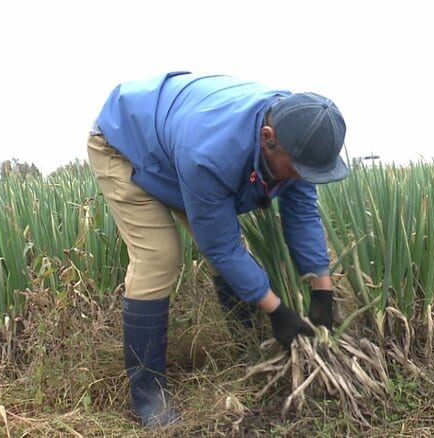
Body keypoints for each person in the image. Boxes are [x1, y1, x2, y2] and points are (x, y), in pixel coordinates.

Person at [87, 71, 348, 429]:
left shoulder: (299, 127)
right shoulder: (210, 154)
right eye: (299, 169)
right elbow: (221, 245)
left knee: (227, 251)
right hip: (125, 145)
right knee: (159, 257)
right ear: (268, 139)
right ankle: (147, 393)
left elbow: (301, 212)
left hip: (176, 143)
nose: (302, 177)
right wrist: (278, 311)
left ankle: (245, 345)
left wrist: (323, 289)